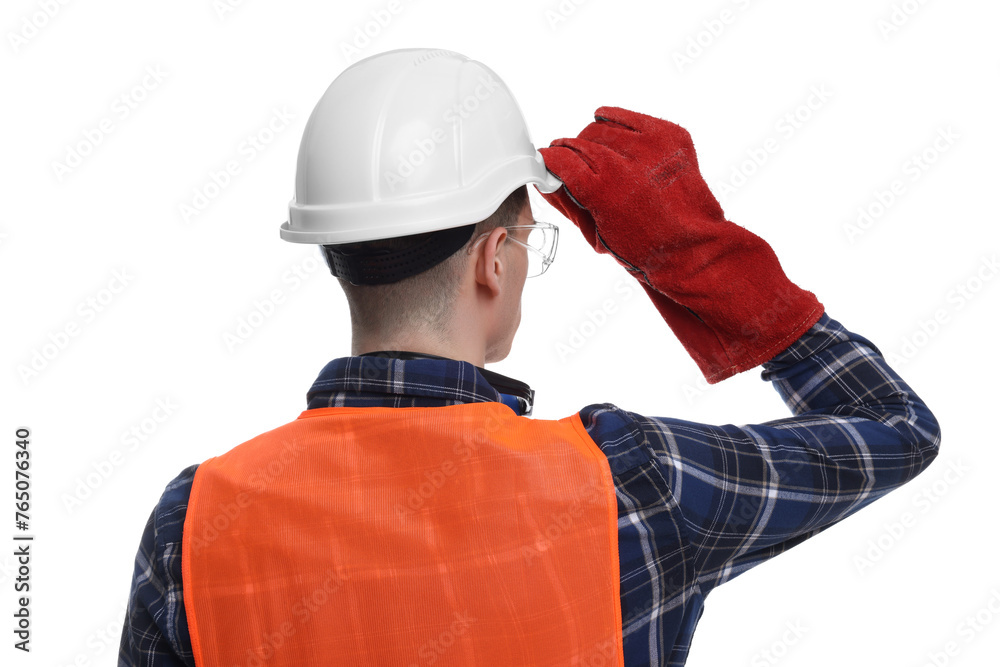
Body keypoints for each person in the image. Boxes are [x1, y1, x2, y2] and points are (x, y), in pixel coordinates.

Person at [118, 48, 941, 667]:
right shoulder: (635, 481)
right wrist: (699, 258)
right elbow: (895, 427)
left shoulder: (193, 520)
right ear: (494, 259)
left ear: (335, 255)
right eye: (529, 239)